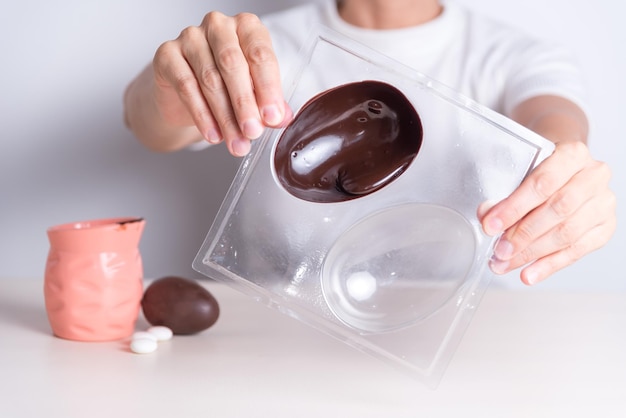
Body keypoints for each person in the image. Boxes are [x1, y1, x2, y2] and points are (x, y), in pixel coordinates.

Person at [123, 0, 616, 286]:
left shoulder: (511, 56)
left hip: (462, 350)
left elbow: (553, 118)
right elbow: (149, 123)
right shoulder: (257, 48)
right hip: (275, 341)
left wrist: (563, 168)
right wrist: (170, 90)